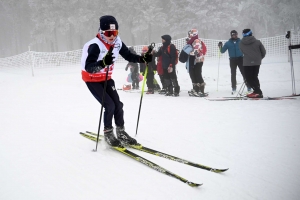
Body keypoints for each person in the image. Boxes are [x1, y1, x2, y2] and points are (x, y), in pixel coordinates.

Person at [81, 15, 152, 147]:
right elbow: (89, 67)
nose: (112, 36)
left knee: (118, 105)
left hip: (106, 78)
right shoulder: (95, 45)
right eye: (109, 33)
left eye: (115, 32)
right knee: (109, 105)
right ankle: (108, 133)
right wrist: (103, 63)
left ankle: (121, 132)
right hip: (92, 79)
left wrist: (143, 59)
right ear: (102, 32)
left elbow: (128, 55)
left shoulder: (117, 42)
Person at [219, 30, 251, 94]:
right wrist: (220, 46)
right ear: (231, 35)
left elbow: (247, 48)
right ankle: (233, 87)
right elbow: (222, 51)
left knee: (244, 73)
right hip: (232, 60)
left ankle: (249, 86)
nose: (235, 36)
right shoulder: (228, 43)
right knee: (233, 74)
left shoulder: (241, 41)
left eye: (236, 34)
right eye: (233, 35)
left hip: (240, 59)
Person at [239, 29, 266, 98]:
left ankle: (258, 91)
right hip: (257, 62)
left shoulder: (241, 43)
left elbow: (242, 51)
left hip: (247, 62)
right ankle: (256, 92)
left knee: (248, 78)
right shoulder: (257, 42)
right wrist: (258, 59)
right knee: (254, 76)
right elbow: (263, 52)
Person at [185, 29, 207, 97]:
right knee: (193, 74)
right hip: (193, 60)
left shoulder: (197, 41)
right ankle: (196, 88)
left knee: (198, 73)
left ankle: (201, 89)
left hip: (198, 60)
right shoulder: (191, 41)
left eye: (191, 34)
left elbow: (196, 51)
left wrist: (188, 52)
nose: (189, 35)